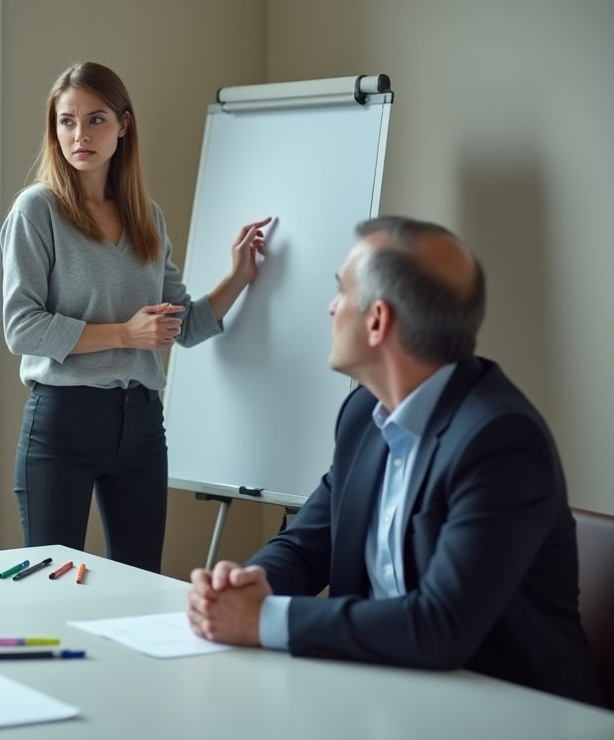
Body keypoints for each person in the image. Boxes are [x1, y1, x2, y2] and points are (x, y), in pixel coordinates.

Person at [186, 216, 606, 707]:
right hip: (386, 692)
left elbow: (441, 625)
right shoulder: (363, 413)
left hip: (514, 708)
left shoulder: (501, 440)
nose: (330, 306)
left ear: (377, 321)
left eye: (341, 292)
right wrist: (239, 588)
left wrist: (261, 620)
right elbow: (306, 546)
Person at [1, 61, 270, 573]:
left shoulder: (146, 215)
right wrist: (125, 333)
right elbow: (22, 327)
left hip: (143, 423)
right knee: (50, 585)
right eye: (67, 121)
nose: (80, 134)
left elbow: (181, 326)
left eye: (96, 119)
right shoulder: (37, 211)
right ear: (54, 128)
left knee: (141, 582)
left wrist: (238, 276)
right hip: (64, 422)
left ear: (124, 124)